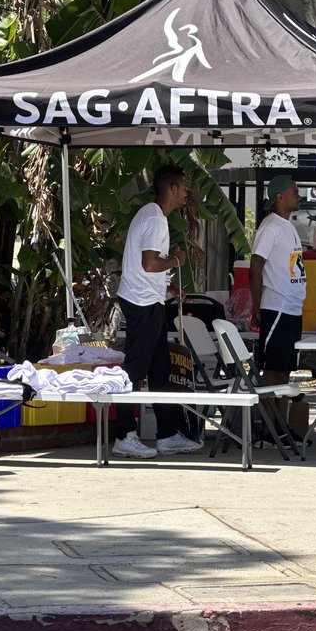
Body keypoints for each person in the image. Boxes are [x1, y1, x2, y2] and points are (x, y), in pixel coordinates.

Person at [113, 164, 203, 459]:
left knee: (160, 369)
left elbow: (149, 270)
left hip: (150, 300)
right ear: (173, 188)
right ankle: (124, 435)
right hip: (140, 304)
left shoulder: (153, 216)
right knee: (135, 371)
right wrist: (175, 262)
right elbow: (149, 264)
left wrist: (169, 289)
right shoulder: (155, 219)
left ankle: (167, 435)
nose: (186, 194)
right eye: (185, 188)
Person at [249, 173, 306, 388]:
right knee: (272, 371)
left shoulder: (288, 226)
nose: (299, 197)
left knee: (285, 373)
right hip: (276, 307)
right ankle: (268, 422)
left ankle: (283, 421)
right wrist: (257, 306)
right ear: (280, 197)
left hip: (292, 308)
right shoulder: (270, 227)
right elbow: (255, 267)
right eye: (295, 192)